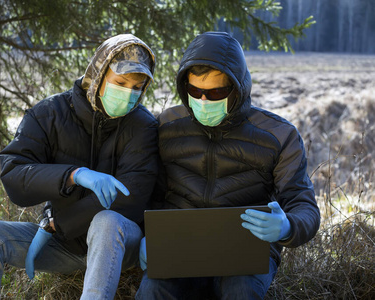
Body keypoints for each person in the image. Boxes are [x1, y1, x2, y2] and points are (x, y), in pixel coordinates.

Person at [0, 34, 159, 300]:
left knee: (107, 221)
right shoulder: (49, 113)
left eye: (137, 87)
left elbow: (132, 198)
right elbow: (13, 173)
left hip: (118, 247)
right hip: (61, 245)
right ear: (98, 75)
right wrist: (72, 175)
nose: (129, 93)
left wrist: (57, 224)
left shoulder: (143, 126)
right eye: (121, 82)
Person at [136, 32, 321, 299]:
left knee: (241, 291)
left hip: (244, 253)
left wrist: (287, 227)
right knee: (153, 291)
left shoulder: (279, 135)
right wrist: (145, 235)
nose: (202, 101)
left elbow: (304, 205)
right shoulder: (167, 126)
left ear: (237, 88)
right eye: (194, 91)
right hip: (179, 246)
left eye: (216, 92)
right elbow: (146, 189)